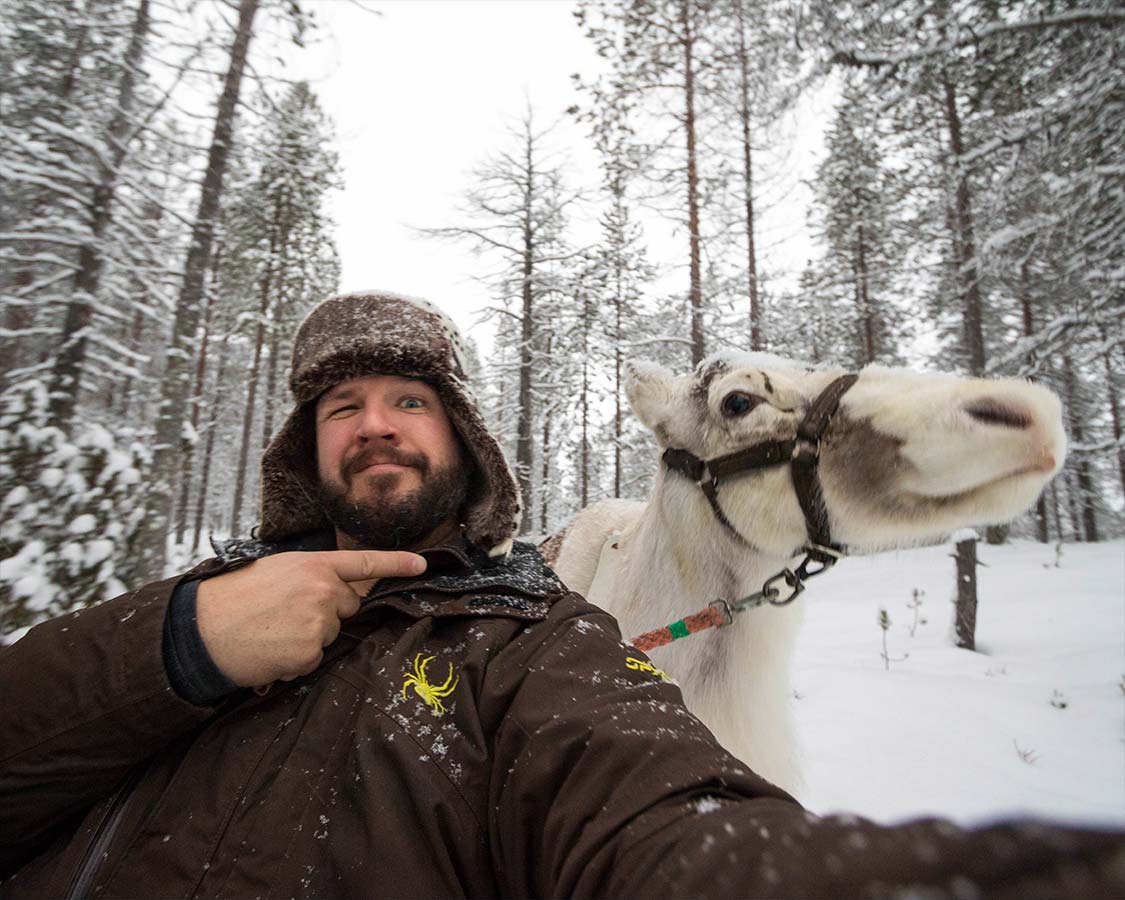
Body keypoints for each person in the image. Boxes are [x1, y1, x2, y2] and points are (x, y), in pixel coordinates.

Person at [1, 290, 1121, 899]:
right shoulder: (194, 601)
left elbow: (655, 822)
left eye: (409, 399)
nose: (377, 422)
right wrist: (180, 646)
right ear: (308, 448)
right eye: (344, 407)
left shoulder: (535, 644)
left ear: (464, 442)